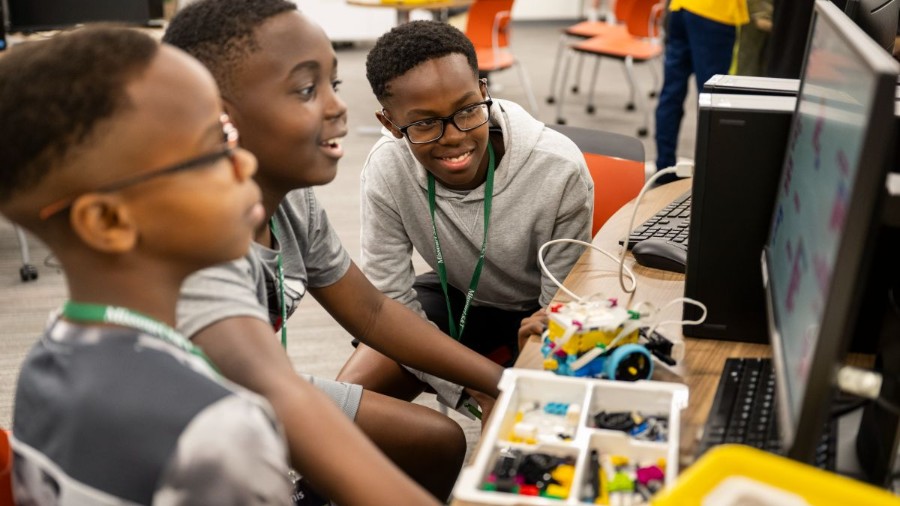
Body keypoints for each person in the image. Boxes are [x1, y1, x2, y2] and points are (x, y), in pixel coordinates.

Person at [163, 0, 505, 501]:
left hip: (255, 389)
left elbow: (372, 312)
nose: (338, 108)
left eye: (333, 83)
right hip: (189, 420)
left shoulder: (290, 199)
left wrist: (500, 382)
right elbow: (242, 392)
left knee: (436, 441)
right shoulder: (192, 243)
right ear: (219, 113)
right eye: (307, 90)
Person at [0, 26, 292, 503]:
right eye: (216, 147)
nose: (246, 164)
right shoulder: (221, 429)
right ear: (108, 220)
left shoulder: (45, 360)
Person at [335, 21, 592, 405]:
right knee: (345, 402)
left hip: (535, 310)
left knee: (522, 416)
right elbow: (390, 300)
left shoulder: (557, 168)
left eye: (468, 110)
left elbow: (558, 310)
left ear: (484, 92)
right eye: (425, 123)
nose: (455, 136)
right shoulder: (387, 168)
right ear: (390, 123)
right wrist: (468, 388)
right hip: (456, 295)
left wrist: (521, 371)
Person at [654, 0, 749, 183]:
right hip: (714, 13)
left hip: (681, 9)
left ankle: (664, 169)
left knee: (671, 93)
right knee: (713, 100)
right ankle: (712, 177)